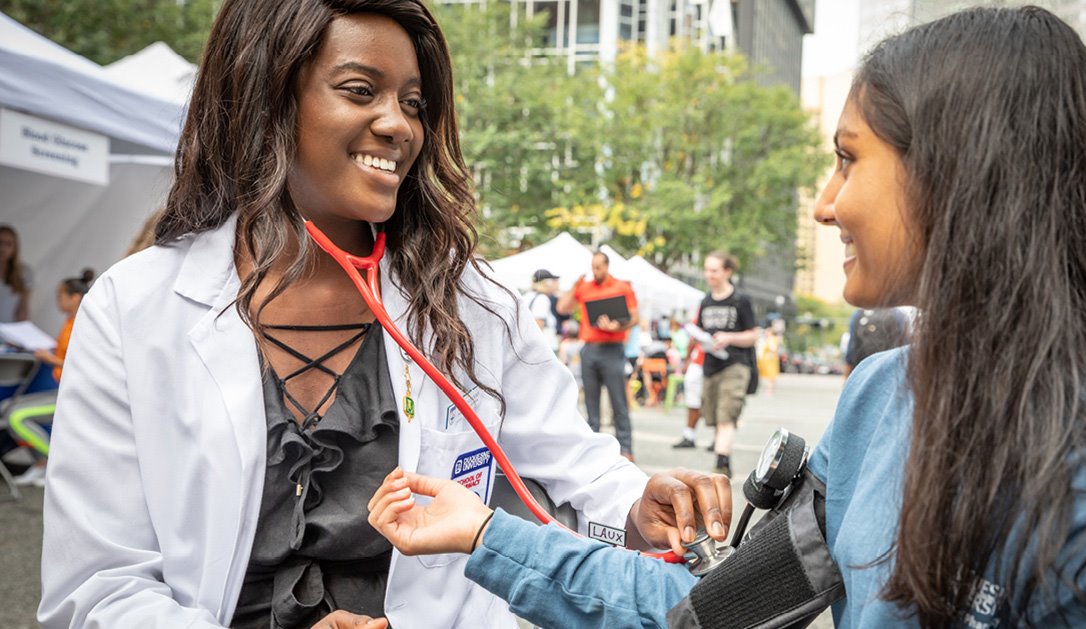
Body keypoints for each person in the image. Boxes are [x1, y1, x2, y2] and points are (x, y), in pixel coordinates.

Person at [364, 7, 1086, 627]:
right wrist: (483, 536)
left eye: (847, 159)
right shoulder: (880, 399)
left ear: (958, 173)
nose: (826, 205)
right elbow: (715, 611)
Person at [37, 2, 730, 627]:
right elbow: (97, 582)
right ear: (268, 98)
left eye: (414, 102)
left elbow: (574, 465)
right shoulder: (134, 309)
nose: (399, 125)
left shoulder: (473, 304)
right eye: (359, 91)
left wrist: (640, 503)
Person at [10, 269, 93, 488]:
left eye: (61, 295)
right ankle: (42, 463)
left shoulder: (82, 324)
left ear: (75, 298)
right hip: (61, 389)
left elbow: (84, 365)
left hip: (74, 393)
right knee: (11, 411)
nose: (58, 300)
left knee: (16, 417)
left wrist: (51, 358)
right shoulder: (69, 323)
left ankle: (56, 465)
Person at [556, 251, 640, 459]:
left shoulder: (621, 286)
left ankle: (626, 448)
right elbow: (562, 307)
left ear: (607, 265)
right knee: (590, 401)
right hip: (590, 349)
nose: (596, 271)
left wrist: (617, 325)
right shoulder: (585, 287)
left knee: (618, 400)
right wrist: (575, 285)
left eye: (599, 267)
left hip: (612, 348)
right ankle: (592, 450)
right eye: (593, 267)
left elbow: (635, 317)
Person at [695, 251, 759, 477]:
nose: (709, 274)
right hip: (711, 365)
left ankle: (722, 462)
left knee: (726, 416)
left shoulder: (740, 301)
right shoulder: (705, 301)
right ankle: (721, 453)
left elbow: (753, 335)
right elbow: (701, 330)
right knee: (712, 416)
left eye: (714, 270)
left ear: (727, 272)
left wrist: (729, 338)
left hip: (736, 364)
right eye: (707, 269)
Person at [842, 307, 909, 378]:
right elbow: (904, 346)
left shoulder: (858, 315)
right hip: (889, 371)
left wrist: (846, 377)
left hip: (862, 370)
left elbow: (851, 349)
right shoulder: (898, 314)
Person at [520, 268, 559, 350]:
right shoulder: (542, 298)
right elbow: (538, 326)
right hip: (544, 349)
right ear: (547, 283)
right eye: (552, 281)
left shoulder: (527, 296)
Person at [0, 225, 31, 323]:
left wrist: (20, 332)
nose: (3, 248)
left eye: (8, 244)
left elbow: (23, 308)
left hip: (7, 332)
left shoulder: (24, 272)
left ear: (15, 249)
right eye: (0, 242)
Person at [757, 325, 781, 396]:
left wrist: (770, 355)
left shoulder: (771, 339)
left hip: (770, 360)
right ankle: (770, 390)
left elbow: (772, 348)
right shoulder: (774, 338)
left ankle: (770, 390)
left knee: (770, 376)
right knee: (771, 376)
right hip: (772, 360)